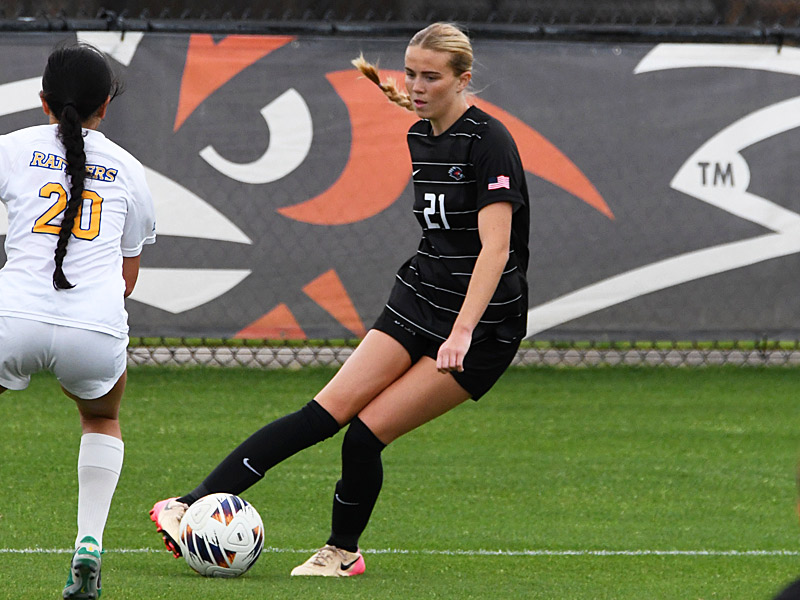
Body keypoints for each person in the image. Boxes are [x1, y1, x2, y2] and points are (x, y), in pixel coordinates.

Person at [150, 21, 529, 577]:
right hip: (419, 299)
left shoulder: (490, 141)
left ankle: (342, 553)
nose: (418, 86)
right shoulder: (419, 134)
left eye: (432, 77)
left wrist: (463, 332)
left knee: (365, 436)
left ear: (462, 80)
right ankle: (187, 503)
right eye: (412, 74)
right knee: (320, 415)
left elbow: (495, 251)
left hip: (482, 328)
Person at [0, 43, 156, 599]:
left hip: (9, 317)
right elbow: (126, 277)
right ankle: (87, 544)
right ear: (105, 107)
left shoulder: (11, 149)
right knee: (101, 419)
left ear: (42, 101)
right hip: (93, 328)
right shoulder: (130, 170)